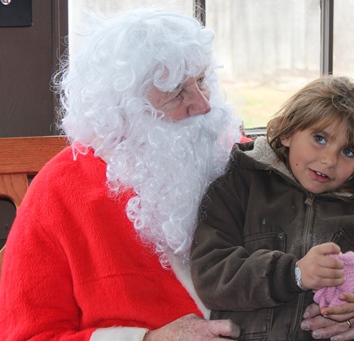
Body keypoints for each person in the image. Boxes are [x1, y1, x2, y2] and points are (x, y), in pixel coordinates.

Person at [0, 8, 246, 341]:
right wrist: (148, 339)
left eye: (202, 81)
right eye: (177, 95)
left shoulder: (237, 155)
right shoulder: (58, 192)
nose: (204, 106)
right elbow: (28, 335)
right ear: (122, 113)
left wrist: (339, 312)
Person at [190, 76, 354, 340]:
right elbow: (212, 274)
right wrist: (293, 274)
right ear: (286, 132)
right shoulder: (240, 186)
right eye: (320, 138)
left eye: (349, 152)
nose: (329, 160)